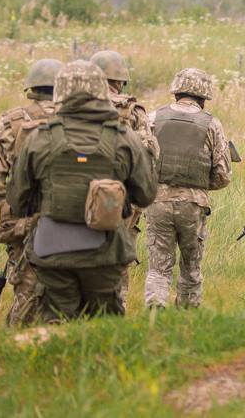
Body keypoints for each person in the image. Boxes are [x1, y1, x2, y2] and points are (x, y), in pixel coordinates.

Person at [6, 60, 156, 321]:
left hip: (51, 251)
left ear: (60, 92)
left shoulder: (40, 138)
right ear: (101, 91)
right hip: (106, 252)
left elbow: (17, 201)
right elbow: (145, 194)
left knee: (55, 321)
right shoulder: (124, 137)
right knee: (104, 326)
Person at [143, 68, 232, 309]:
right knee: (191, 265)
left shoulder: (152, 118)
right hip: (194, 204)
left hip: (157, 201)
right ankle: (188, 313)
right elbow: (223, 175)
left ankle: (154, 308)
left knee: (158, 264)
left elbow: (141, 163)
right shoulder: (211, 124)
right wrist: (200, 186)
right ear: (203, 97)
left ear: (177, 92)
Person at [0, 57, 62, 326]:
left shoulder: (11, 122)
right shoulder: (76, 121)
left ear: (31, 88)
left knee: (26, 292)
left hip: (22, 222)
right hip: (71, 221)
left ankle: (18, 345)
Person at [88, 49, 158, 305]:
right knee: (118, 259)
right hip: (119, 200)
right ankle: (115, 312)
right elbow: (150, 155)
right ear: (120, 81)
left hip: (76, 194)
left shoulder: (71, 104)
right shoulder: (133, 111)